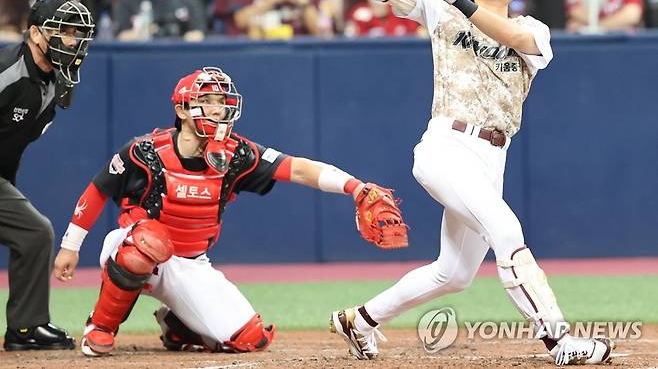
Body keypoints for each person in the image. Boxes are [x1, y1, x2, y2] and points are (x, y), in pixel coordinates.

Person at [291, 0, 615, 365]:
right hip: (447, 147)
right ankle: (560, 342)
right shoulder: (438, 6)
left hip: (490, 157)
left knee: (455, 273)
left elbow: (516, 39)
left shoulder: (531, 26)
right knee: (506, 232)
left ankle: (360, 319)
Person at [52, 66, 407, 356]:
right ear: (181, 110)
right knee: (148, 242)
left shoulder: (237, 153)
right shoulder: (144, 151)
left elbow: (298, 168)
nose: (216, 109)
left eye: (220, 102)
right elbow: (98, 189)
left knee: (250, 339)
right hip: (133, 246)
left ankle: (179, 328)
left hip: (192, 262)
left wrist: (356, 187)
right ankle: (100, 327)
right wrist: (71, 245)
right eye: (205, 101)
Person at [0, 0, 94, 351]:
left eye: (77, 33)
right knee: (35, 231)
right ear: (36, 34)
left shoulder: (57, 81)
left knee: (33, 234)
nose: (72, 41)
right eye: (63, 31)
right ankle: (26, 327)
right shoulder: (8, 71)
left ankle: (26, 328)